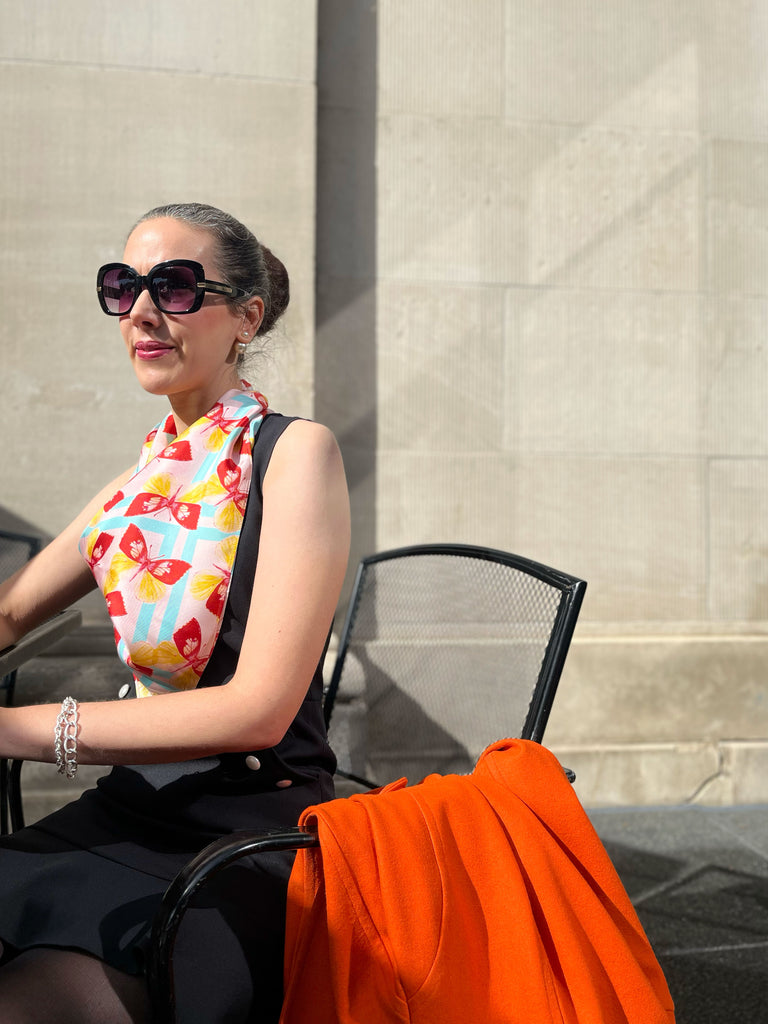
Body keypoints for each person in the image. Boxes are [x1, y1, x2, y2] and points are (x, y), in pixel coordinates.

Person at [0, 202, 350, 1023]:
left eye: (178, 287)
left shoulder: (295, 452)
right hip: (133, 805)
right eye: (124, 286)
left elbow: (257, 710)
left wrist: (16, 729)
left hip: (240, 834)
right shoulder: (150, 475)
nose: (144, 312)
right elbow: (13, 608)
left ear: (246, 317)